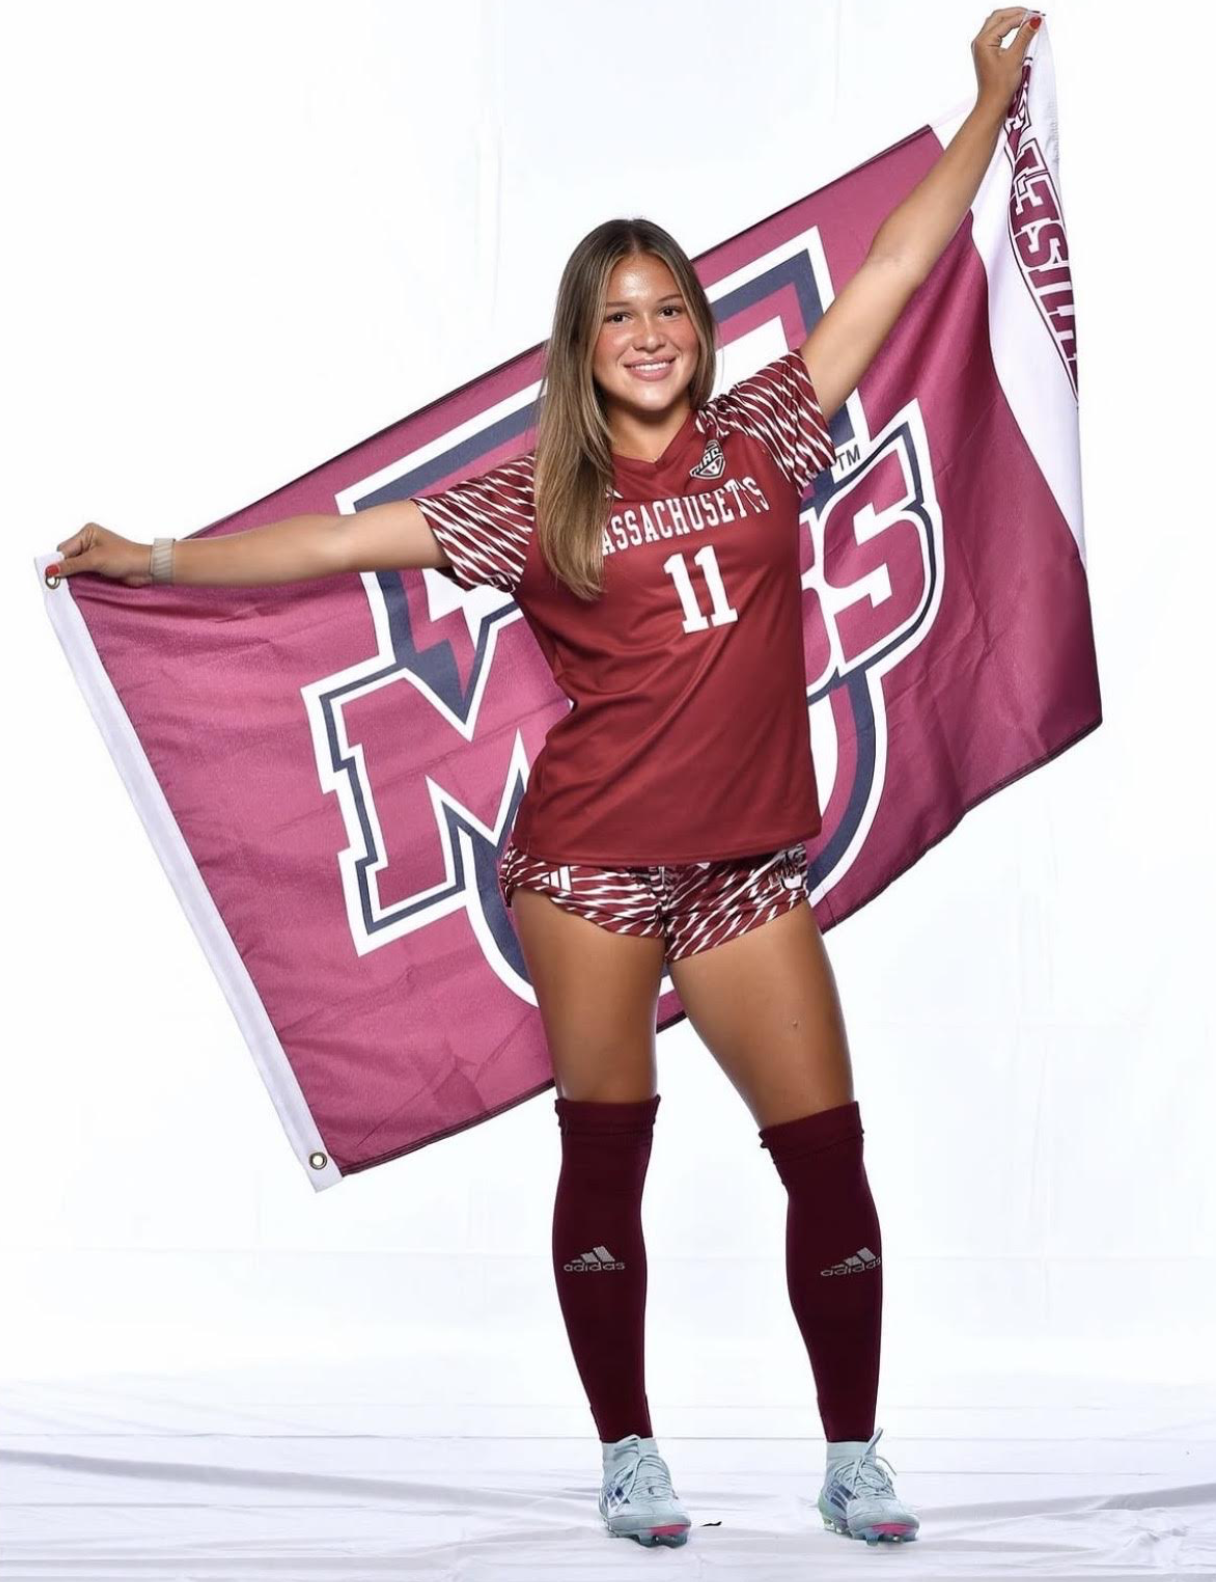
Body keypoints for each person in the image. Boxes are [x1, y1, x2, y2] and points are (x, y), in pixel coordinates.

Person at [46, 7, 1040, 1550]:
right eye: (619, 314)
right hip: (587, 869)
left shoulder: (769, 428)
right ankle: (629, 1452)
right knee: (609, 1154)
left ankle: (854, 1454)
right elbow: (332, 546)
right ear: (582, 344)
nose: (650, 333)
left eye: (670, 308)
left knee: (827, 1155)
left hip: (743, 870)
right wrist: (158, 555)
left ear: (700, 327)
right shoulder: (536, 501)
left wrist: (986, 104)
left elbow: (901, 263)